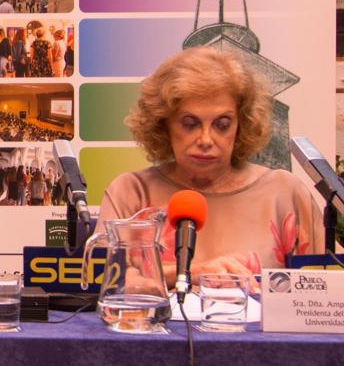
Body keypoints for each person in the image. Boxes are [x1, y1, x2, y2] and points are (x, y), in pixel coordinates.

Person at [98, 47, 323, 283]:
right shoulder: (131, 192)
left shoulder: (285, 193)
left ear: (241, 125)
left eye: (222, 124)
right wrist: (194, 273)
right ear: (163, 124)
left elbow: (322, 291)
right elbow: (102, 282)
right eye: (190, 123)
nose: (206, 139)